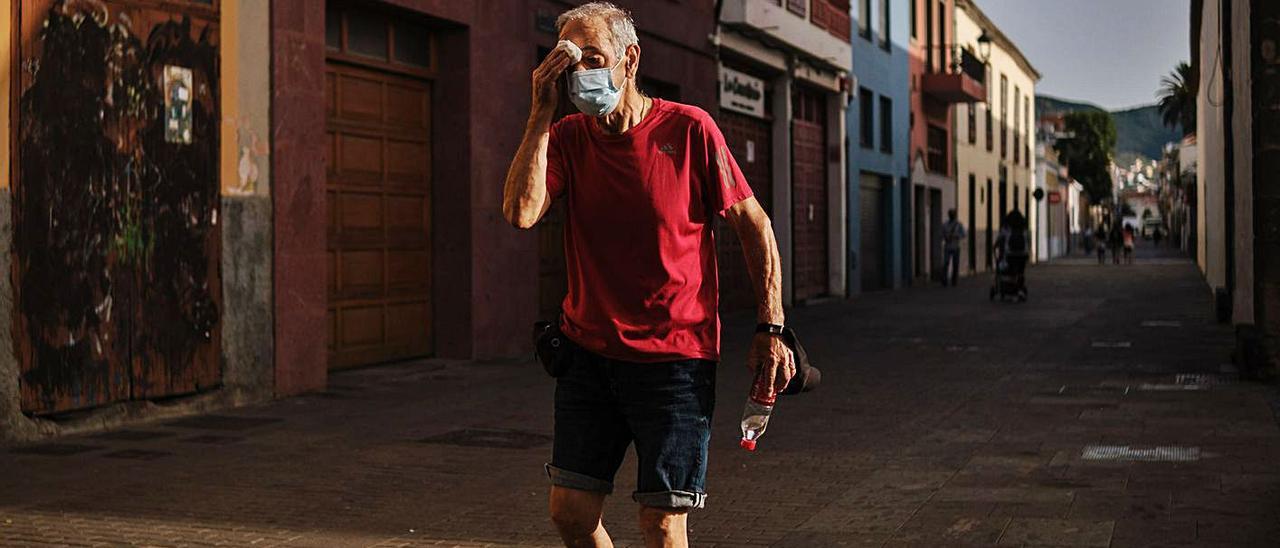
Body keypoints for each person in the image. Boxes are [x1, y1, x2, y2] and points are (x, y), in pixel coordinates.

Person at [501, 4, 794, 547]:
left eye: (593, 59)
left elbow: (754, 224)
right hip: (588, 355)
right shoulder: (566, 137)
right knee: (570, 512)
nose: (581, 75)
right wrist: (540, 113)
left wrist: (770, 326)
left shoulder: (689, 129)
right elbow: (521, 212)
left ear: (629, 59)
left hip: (674, 364)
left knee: (660, 525)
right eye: (570, 64)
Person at [994, 210, 1031, 282]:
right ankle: (1020, 287)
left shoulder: (1006, 229)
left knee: (1006, 267)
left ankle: (1008, 282)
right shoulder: (1024, 230)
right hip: (1023, 255)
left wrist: (995, 246)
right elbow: (1028, 242)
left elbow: (999, 240)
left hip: (1010, 255)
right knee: (1021, 272)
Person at [941, 209, 965, 287]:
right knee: (946, 263)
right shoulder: (945, 224)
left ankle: (954, 280)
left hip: (956, 246)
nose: (951, 215)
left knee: (955, 264)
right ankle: (944, 279)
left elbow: (964, 234)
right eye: (950, 214)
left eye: (953, 214)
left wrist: (957, 236)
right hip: (947, 246)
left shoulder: (959, 225)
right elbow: (941, 234)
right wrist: (945, 237)